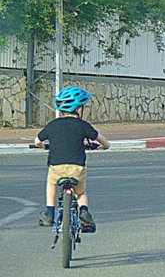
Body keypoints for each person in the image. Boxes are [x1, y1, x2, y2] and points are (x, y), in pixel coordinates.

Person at [35, 86, 110, 232]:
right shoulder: (83, 126)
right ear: (79, 109)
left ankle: (49, 212)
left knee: (51, 183)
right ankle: (85, 213)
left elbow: (37, 140)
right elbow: (103, 141)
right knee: (80, 192)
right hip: (77, 169)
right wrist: (104, 146)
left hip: (56, 168)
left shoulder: (53, 125)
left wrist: (43, 146)